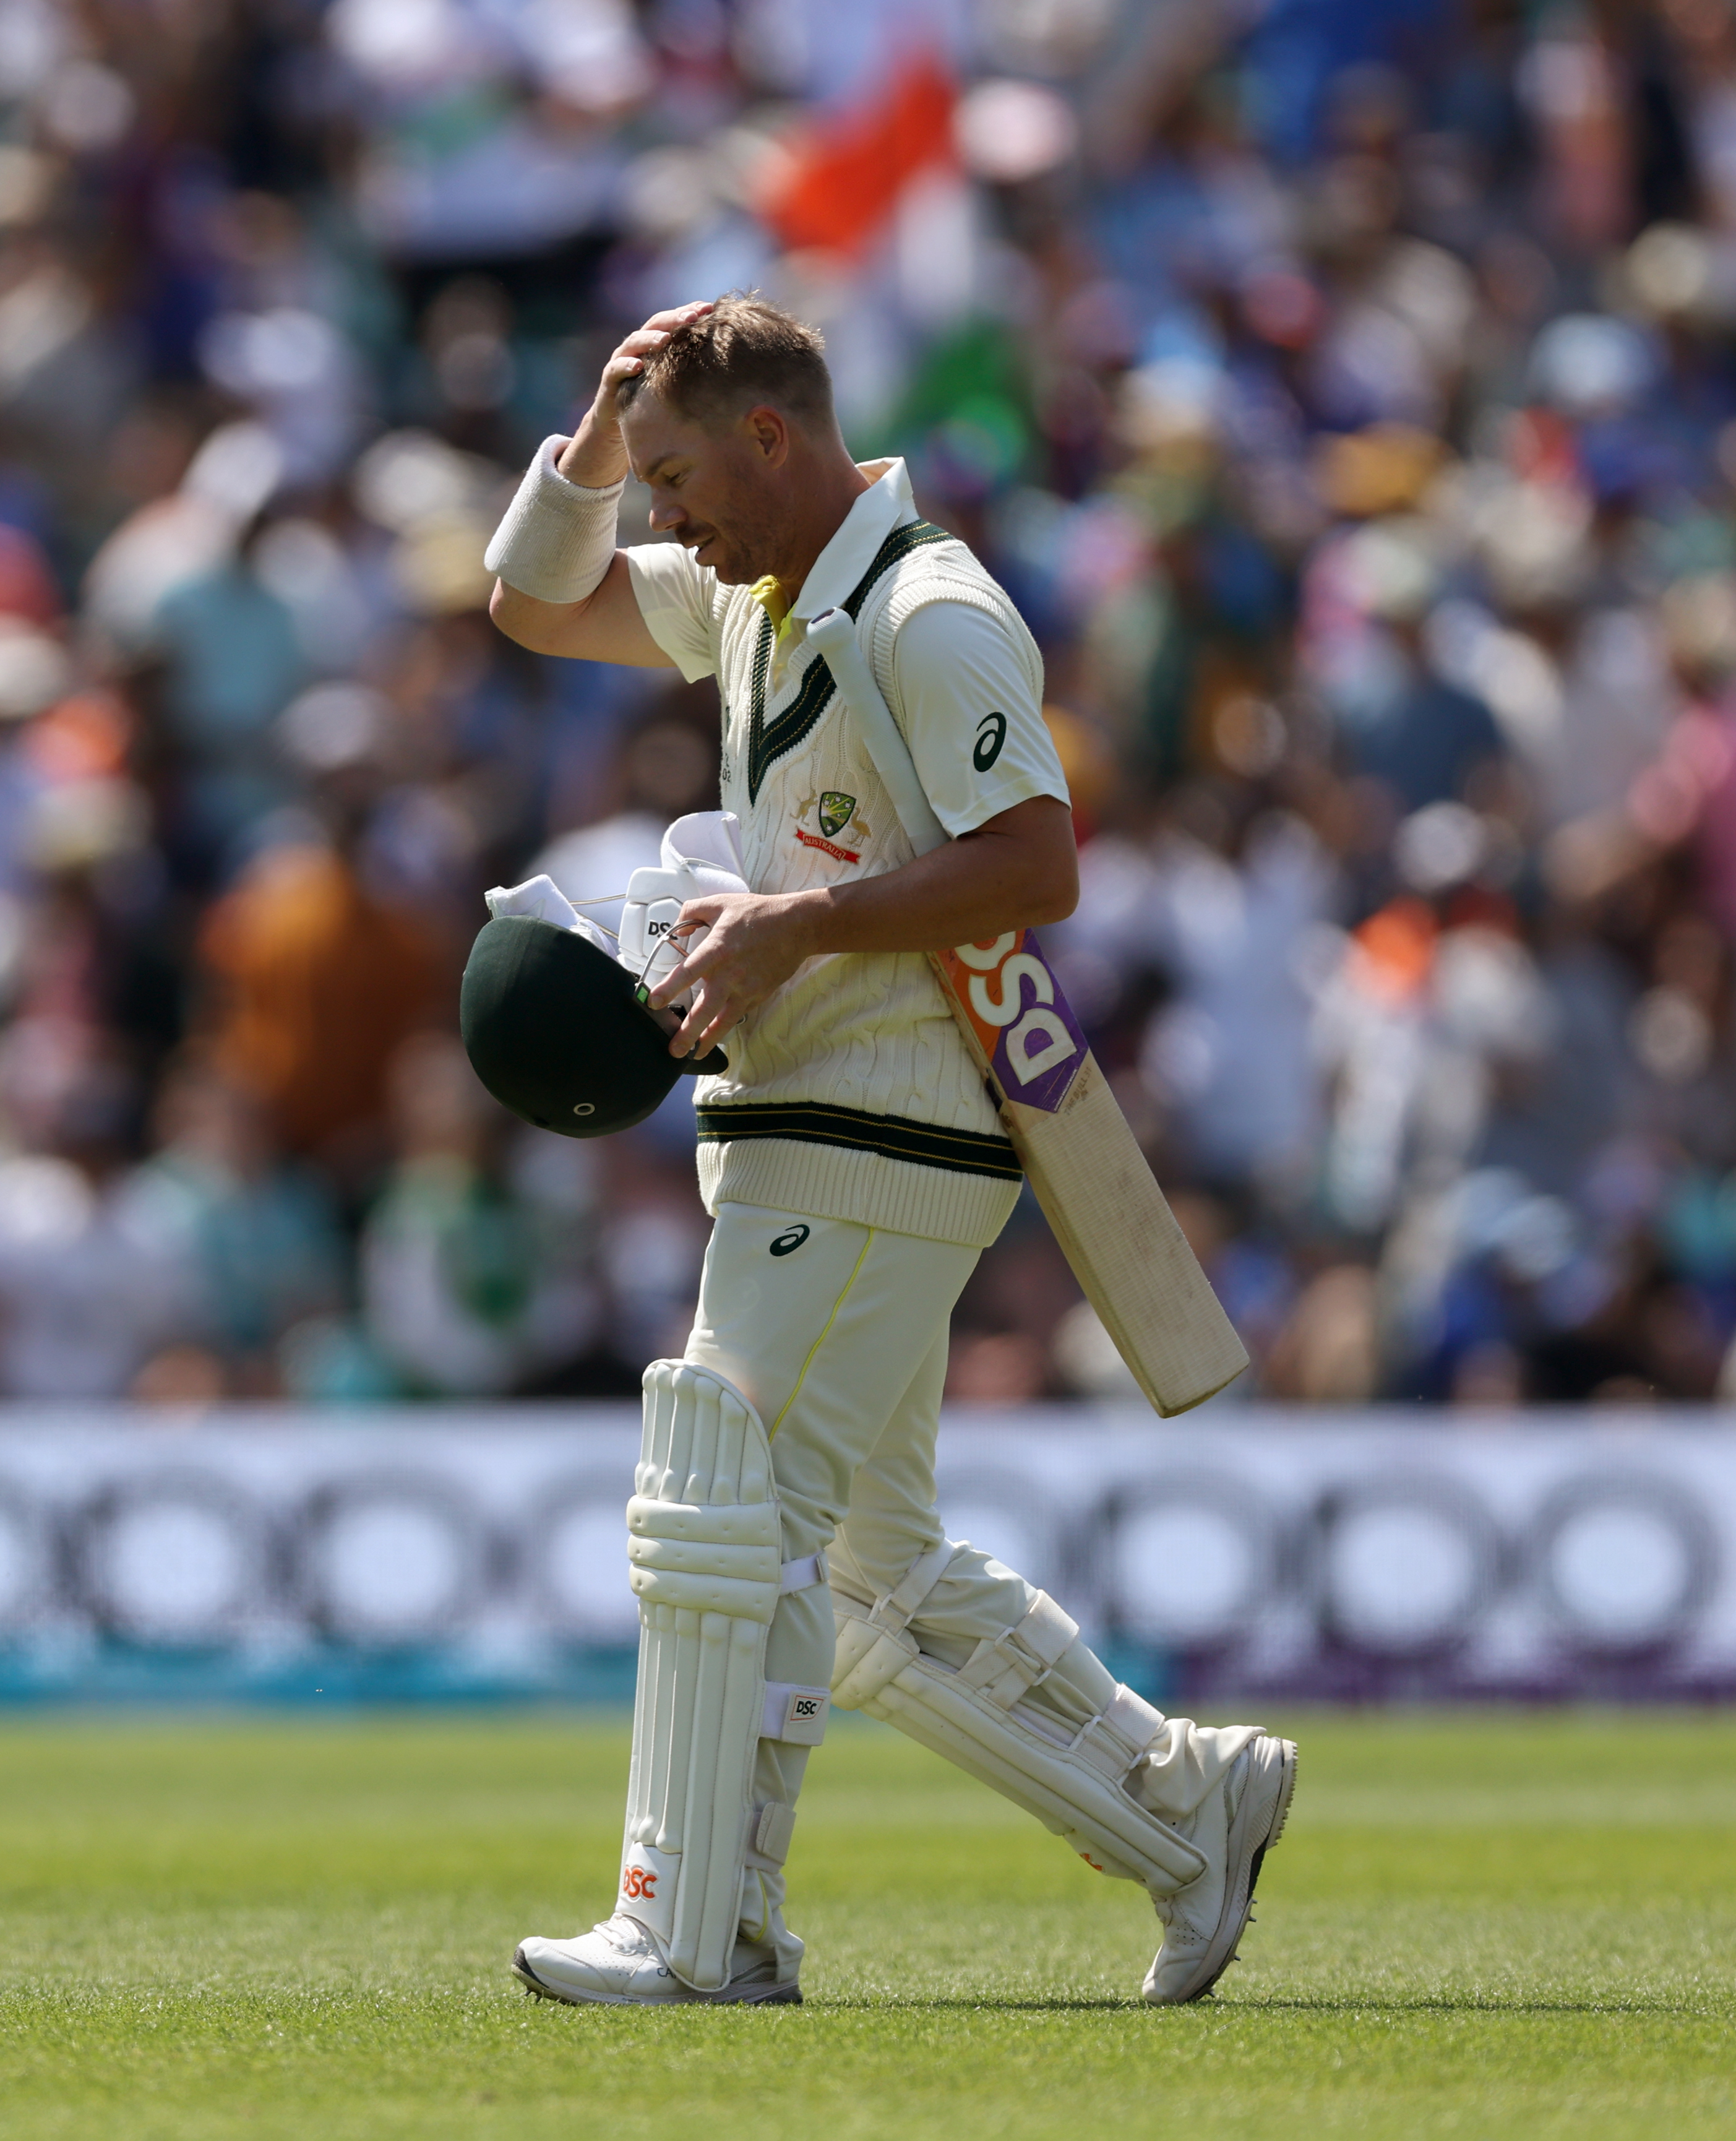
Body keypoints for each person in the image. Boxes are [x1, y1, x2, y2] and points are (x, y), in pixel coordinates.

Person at [479, 295, 1296, 2007]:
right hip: (800, 1114)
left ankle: (702, 1927)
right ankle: (1184, 1809)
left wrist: (797, 925)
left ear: (776, 440)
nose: (663, 517)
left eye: (683, 477)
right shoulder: (758, 596)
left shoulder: (925, 611)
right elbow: (530, 602)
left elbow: (1037, 862)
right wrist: (601, 430)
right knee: (867, 1573)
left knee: (724, 1493)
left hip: (888, 1117)